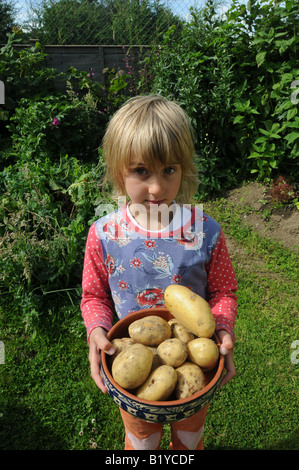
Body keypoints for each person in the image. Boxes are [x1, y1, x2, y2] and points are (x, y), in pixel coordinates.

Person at [80, 94, 238, 450]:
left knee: (189, 436)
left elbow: (224, 292)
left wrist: (223, 329)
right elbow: (94, 296)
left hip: (191, 367)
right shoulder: (104, 234)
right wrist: (97, 331)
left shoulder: (205, 230)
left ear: (184, 168)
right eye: (141, 171)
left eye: (169, 170)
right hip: (132, 364)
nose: (156, 187)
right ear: (117, 169)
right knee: (141, 439)